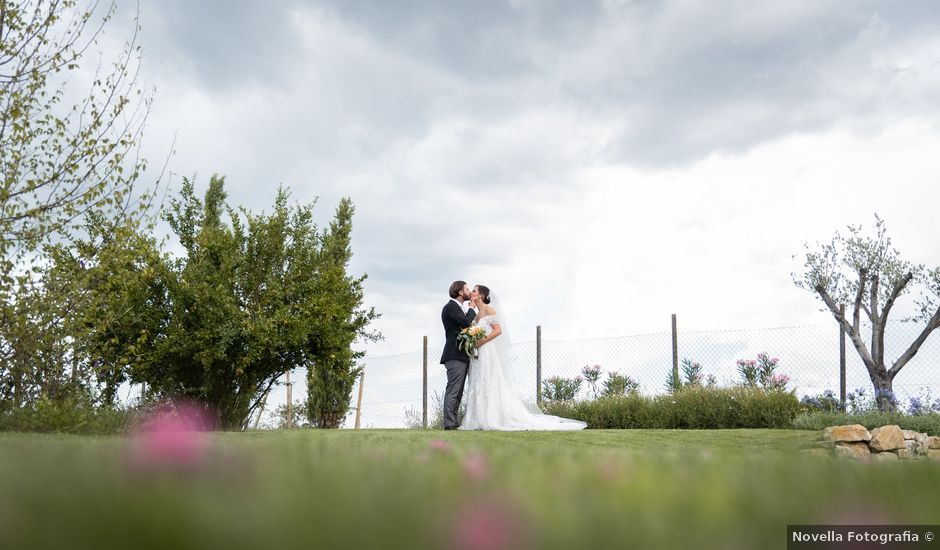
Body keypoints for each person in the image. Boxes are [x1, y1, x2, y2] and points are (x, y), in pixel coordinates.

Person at [461, 284, 587, 431]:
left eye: (474, 291)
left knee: (490, 379)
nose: (472, 293)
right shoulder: (476, 314)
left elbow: (498, 331)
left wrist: (482, 341)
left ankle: (494, 417)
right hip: (478, 353)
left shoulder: (490, 310)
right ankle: (478, 418)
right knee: (479, 381)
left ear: (481, 295)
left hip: (487, 350)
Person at [439, 280, 477, 430]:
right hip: (454, 354)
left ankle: (453, 422)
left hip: (461, 355)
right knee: (453, 390)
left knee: (458, 392)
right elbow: (466, 322)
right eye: (467, 289)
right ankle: (449, 424)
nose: (469, 292)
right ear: (460, 292)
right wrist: (472, 308)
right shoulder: (450, 307)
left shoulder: (458, 308)